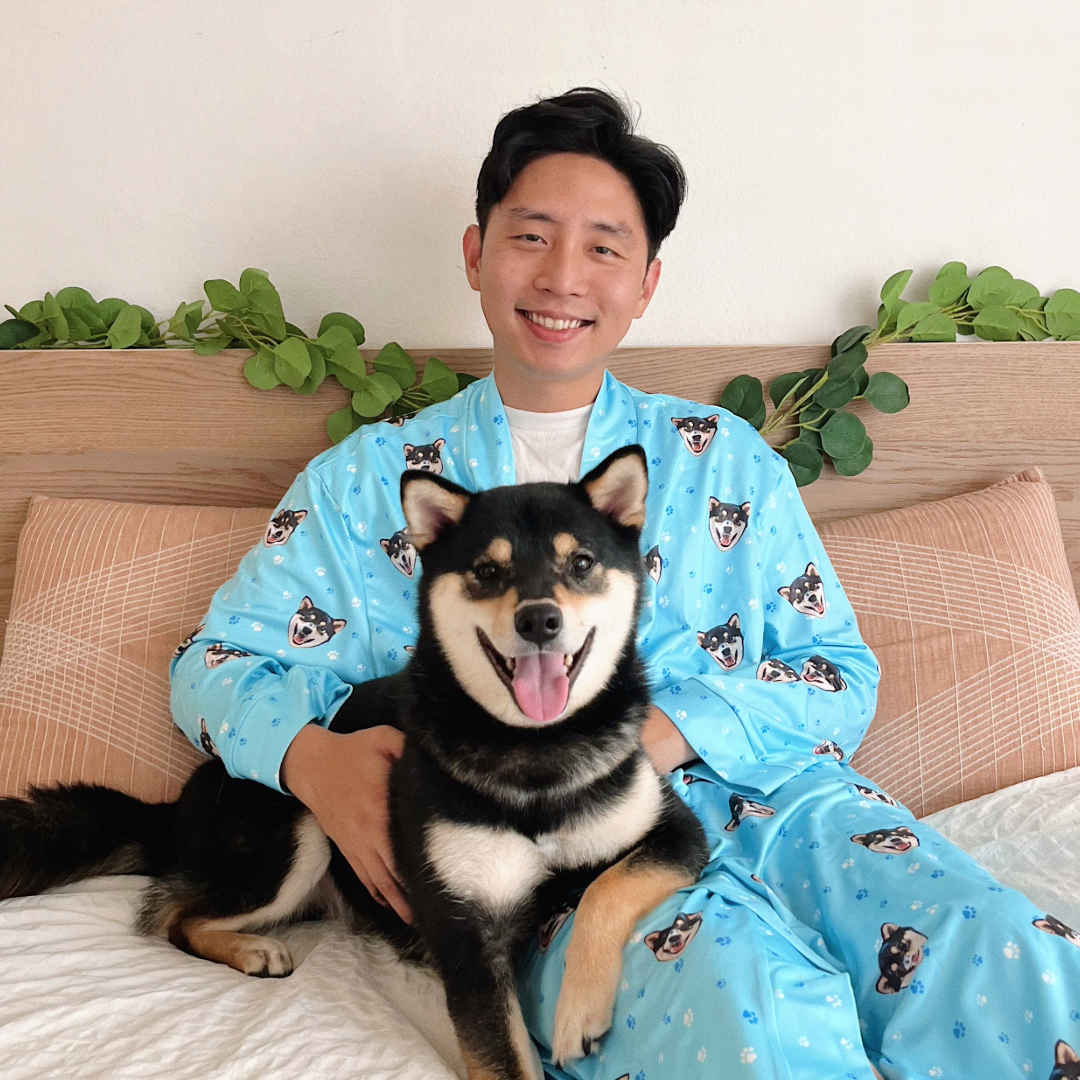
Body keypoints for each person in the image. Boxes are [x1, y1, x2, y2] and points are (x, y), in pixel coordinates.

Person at [171, 88, 1080, 1080]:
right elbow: (215, 665)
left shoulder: (726, 460)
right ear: (475, 253)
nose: (563, 276)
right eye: (531, 236)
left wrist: (667, 734)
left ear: (645, 285)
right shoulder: (368, 484)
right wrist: (312, 762)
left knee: (999, 951)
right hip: (550, 859)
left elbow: (836, 672)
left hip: (788, 807)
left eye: (603, 247)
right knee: (749, 1017)